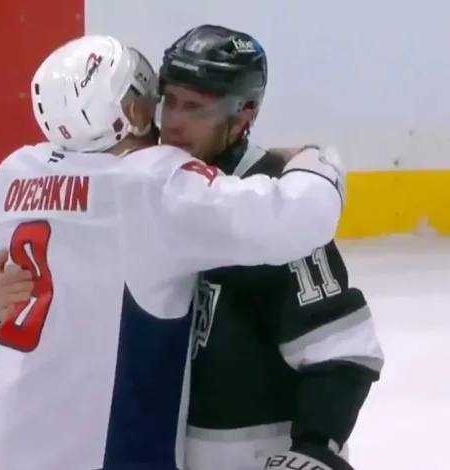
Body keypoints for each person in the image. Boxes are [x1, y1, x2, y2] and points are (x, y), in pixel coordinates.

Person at [0, 34, 346, 470]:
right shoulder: (155, 183)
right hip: (92, 456)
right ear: (130, 111)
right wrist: (316, 160)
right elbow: (298, 218)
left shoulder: (16, 172)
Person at [156, 25, 383, 470]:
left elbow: (339, 350)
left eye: (195, 108)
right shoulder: (148, 183)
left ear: (244, 115)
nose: (173, 123)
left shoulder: (272, 208)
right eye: (170, 102)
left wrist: (315, 448)